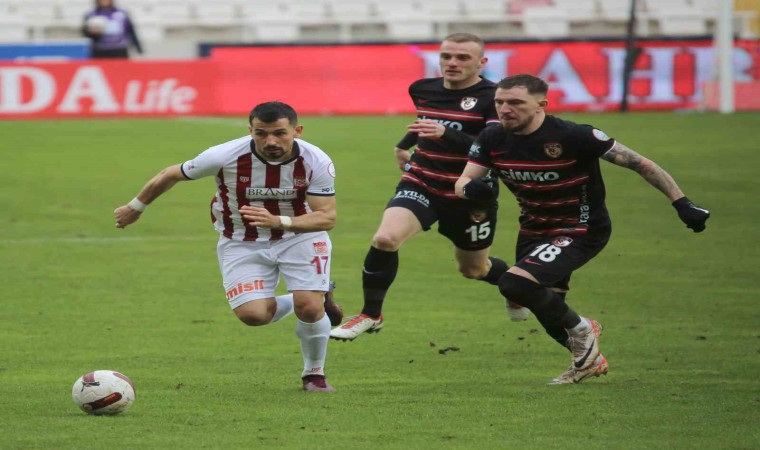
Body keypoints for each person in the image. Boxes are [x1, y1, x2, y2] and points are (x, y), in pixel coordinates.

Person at [455, 74, 710, 384]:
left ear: (541, 105)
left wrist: (682, 202)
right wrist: (473, 191)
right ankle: (588, 362)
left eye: (515, 103)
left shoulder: (575, 136)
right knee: (549, 310)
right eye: (499, 102)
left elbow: (640, 163)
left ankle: (584, 329)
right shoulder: (491, 138)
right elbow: (463, 183)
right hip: (534, 228)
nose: (505, 109)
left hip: (582, 228)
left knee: (515, 285)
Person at [113, 101, 344, 392]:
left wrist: (278, 221)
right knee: (253, 316)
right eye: (261, 133)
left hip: (299, 236)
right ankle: (318, 296)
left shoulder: (316, 161)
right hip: (241, 241)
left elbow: (327, 217)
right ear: (250, 131)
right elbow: (170, 174)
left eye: (279, 133)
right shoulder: (224, 156)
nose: (270, 141)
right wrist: (136, 207)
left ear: (296, 131)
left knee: (308, 308)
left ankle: (314, 374)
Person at [330, 33, 520, 342]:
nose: (452, 63)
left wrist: (444, 132)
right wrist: (403, 145)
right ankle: (370, 314)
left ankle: (517, 287)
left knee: (474, 268)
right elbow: (426, 121)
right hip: (422, 180)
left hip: (469, 193)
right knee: (385, 238)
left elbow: (492, 147)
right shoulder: (423, 89)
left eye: (462, 58)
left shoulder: (493, 98)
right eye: (446, 56)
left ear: (482, 62)